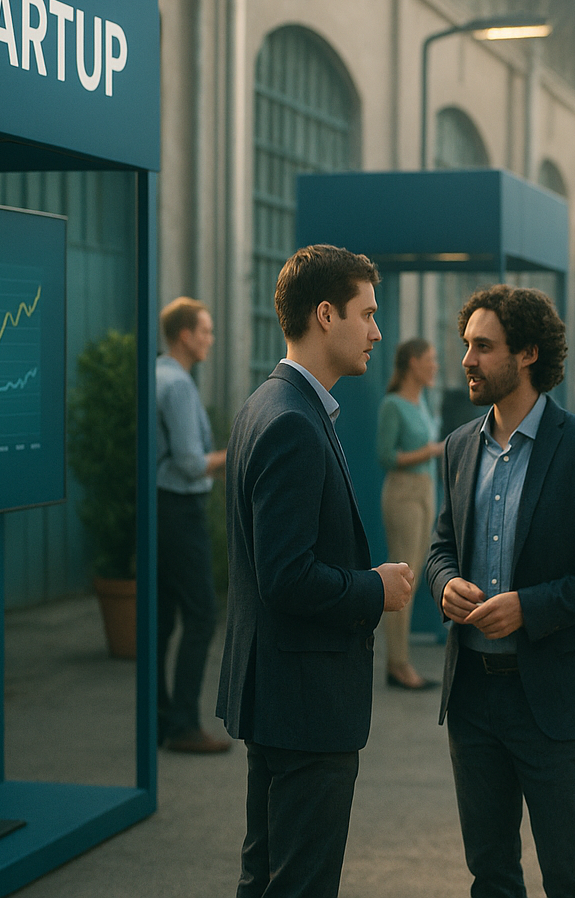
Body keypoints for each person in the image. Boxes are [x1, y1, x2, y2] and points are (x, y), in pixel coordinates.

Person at [427, 284, 575, 898]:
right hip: (471, 699)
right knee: (490, 875)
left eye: (483, 346)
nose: (466, 359)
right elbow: (443, 545)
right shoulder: (460, 445)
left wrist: (530, 607)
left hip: (551, 698)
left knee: (570, 877)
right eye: (466, 344)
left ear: (527, 354)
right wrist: (445, 585)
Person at [216, 244, 416, 898]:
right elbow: (286, 576)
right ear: (325, 315)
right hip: (304, 703)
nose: (377, 331)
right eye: (367, 314)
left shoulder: (269, 406)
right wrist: (375, 588)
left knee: (266, 875)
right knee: (300, 883)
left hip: (275, 692)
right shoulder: (293, 423)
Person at [155, 297, 230, 754]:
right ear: (185, 334)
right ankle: (183, 724)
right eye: (205, 330)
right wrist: (239, 452)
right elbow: (188, 463)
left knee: (163, 619)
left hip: (160, 510)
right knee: (201, 616)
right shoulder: (178, 385)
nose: (210, 338)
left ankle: (162, 716)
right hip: (180, 512)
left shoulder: (159, 375)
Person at [376, 338, 444, 691]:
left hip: (426, 490)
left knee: (414, 576)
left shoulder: (424, 401)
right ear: (412, 363)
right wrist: (430, 451)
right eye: (430, 359)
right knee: (401, 575)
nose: (434, 365)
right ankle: (397, 664)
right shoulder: (393, 404)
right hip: (402, 492)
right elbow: (385, 455)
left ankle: (401, 661)